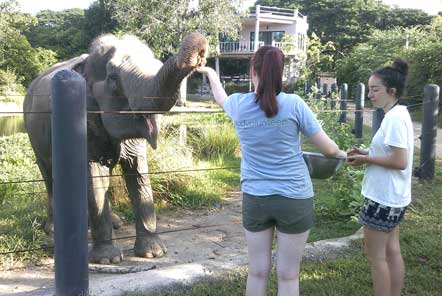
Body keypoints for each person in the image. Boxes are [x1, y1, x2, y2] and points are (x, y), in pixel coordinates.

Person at [197, 46, 346, 296]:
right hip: (295, 198)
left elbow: (220, 97)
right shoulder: (295, 104)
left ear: (253, 71)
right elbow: (329, 149)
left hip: (256, 199)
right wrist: (343, 154)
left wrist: (210, 72)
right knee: (288, 276)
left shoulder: (239, 105)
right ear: (281, 73)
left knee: (257, 272)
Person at [347, 59, 413, 296]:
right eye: (369, 89)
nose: (370, 94)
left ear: (391, 91)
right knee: (391, 251)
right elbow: (391, 153)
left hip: (382, 198)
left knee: (376, 257)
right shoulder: (400, 113)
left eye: (375, 89)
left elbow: (399, 161)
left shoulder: (394, 118)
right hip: (394, 197)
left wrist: (366, 160)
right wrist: (368, 153)